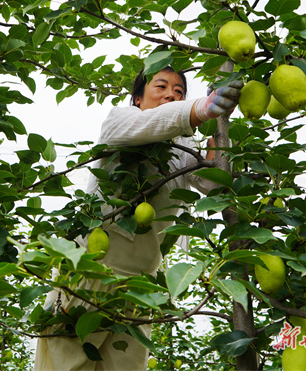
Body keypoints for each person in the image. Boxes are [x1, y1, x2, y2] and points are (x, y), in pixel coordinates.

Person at [33, 66, 243, 371]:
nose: (171, 94)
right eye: (161, 87)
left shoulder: (183, 149)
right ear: (137, 99)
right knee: (68, 364)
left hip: (140, 287)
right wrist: (199, 107)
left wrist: (218, 132)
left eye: (179, 91)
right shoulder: (121, 120)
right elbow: (146, 126)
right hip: (91, 273)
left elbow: (213, 184)